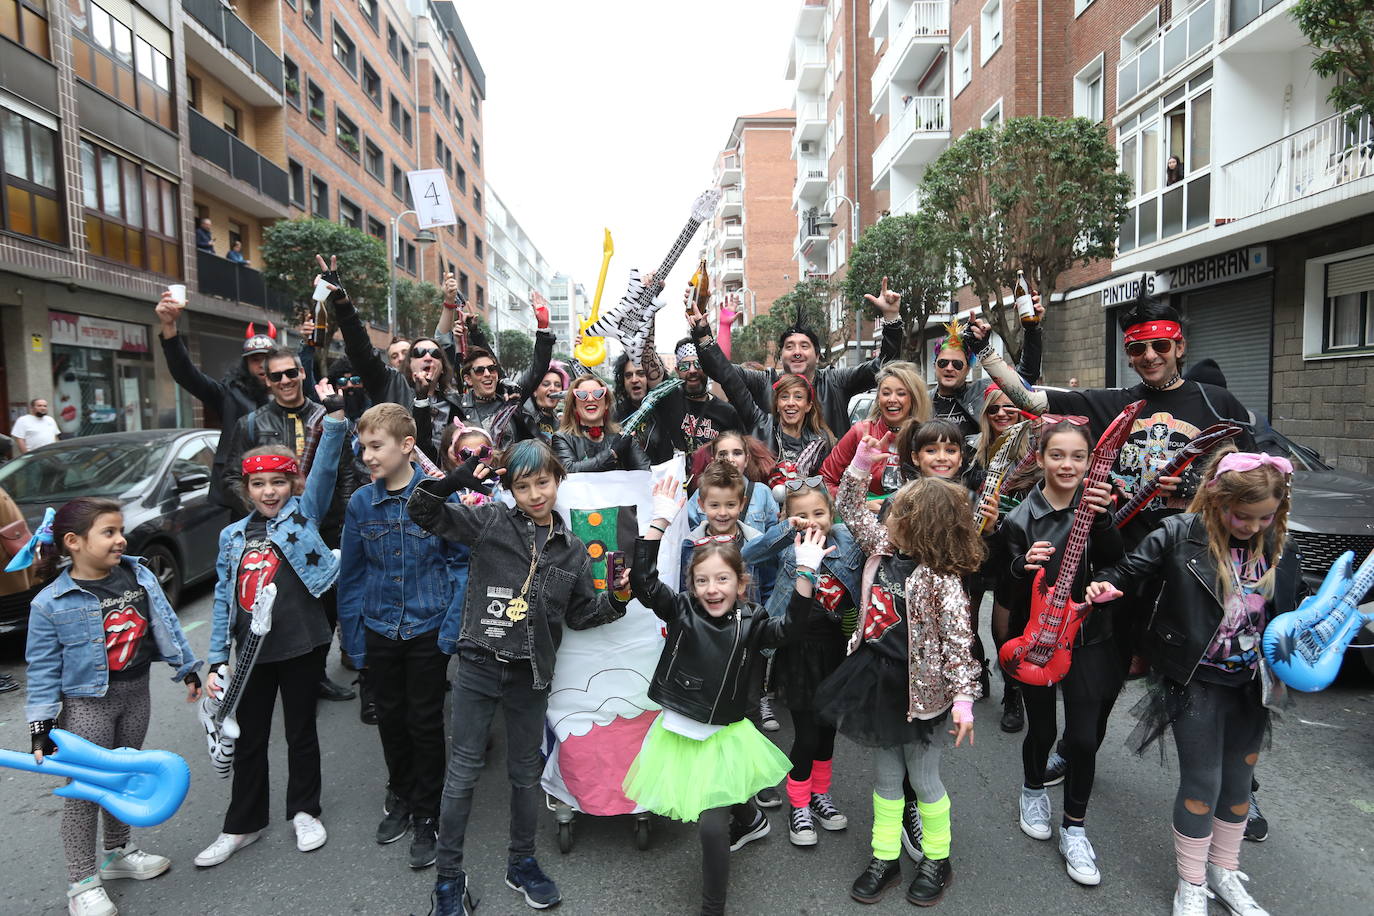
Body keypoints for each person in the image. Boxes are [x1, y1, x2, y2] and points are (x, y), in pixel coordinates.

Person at [406, 439, 629, 915]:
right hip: (479, 664)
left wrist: (621, 598)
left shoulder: (572, 552)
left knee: (525, 776)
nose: (533, 494)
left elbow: (584, 615)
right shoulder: (489, 523)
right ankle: (449, 879)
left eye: (542, 482)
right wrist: (453, 480)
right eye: (522, 486)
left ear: (558, 481)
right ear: (509, 488)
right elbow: (422, 512)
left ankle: (521, 862)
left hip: (531, 675)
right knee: (462, 775)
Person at [1085, 449, 1303, 916]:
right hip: (1194, 677)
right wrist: (1103, 588)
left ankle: (1224, 871)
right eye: (1242, 516)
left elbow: (1292, 613)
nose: (1252, 526)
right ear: (1215, 499)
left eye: (1264, 517)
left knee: (1239, 782)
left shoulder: (1280, 545)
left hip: (1254, 684)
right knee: (1202, 782)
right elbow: (1123, 572)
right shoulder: (1180, 533)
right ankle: (1191, 882)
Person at [624, 477, 822, 916]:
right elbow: (643, 582)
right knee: (707, 805)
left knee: (711, 829)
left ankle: (713, 907)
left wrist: (807, 573)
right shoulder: (680, 608)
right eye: (702, 581)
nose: (712, 589)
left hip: (722, 733)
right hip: (678, 728)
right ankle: (750, 817)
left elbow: (789, 630)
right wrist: (658, 521)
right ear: (692, 584)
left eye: (722, 580)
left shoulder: (751, 621)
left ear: (740, 582)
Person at [820, 440, 984, 907]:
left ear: (919, 525)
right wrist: (860, 464)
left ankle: (938, 857)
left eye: (893, 513)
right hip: (875, 682)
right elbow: (849, 507)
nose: (884, 517)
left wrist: (965, 701)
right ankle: (885, 856)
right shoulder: (884, 551)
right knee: (886, 778)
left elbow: (959, 644)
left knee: (925, 779)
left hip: (921, 695)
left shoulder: (941, 580)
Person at [23, 498, 202, 916]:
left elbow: (166, 623)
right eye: (109, 532)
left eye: (120, 530)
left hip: (137, 693)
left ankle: (118, 853)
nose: (121, 539)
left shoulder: (136, 574)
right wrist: (41, 726)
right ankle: (81, 882)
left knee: (123, 778)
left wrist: (187, 668)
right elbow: (43, 669)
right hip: (88, 707)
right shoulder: (50, 602)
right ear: (73, 542)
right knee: (85, 793)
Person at [195, 406, 348, 870]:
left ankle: (304, 811)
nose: (269, 492)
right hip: (251, 655)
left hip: (301, 644)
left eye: (278, 482)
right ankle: (243, 824)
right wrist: (217, 660)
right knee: (250, 737)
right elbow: (223, 598)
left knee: (300, 732)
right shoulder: (231, 537)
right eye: (259, 485)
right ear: (246, 491)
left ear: (292, 485)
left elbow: (322, 471)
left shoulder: (304, 515)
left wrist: (336, 423)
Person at [338, 404, 469, 869]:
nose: (367, 455)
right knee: (389, 717)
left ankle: (428, 812)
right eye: (363, 446)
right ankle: (402, 793)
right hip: (378, 627)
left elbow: (458, 566)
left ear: (407, 445)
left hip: (427, 626)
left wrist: (449, 631)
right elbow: (351, 576)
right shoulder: (360, 504)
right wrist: (353, 644)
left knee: (425, 721)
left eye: (377, 446)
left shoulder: (438, 498)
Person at [995, 419, 1124, 887]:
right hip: (1041, 640)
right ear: (1041, 458)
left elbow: (1117, 561)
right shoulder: (1019, 519)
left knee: (1084, 739)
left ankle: (1075, 828)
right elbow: (1005, 585)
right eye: (1057, 455)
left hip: (1090, 636)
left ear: (1090, 460)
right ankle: (1032, 789)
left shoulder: (1100, 503)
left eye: (1077, 456)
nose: (1067, 465)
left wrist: (1106, 522)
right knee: (1043, 728)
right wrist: (1019, 564)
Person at [222, 351, 358, 702]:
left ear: (302, 373)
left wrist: (343, 518)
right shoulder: (250, 424)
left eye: (290, 373)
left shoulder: (325, 413)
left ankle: (314, 675)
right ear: (266, 380)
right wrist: (263, 516)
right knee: (277, 603)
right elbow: (231, 476)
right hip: (270, 533)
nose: (285, 381)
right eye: (276, 375)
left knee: (322, 604)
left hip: (322, 525)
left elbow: (341, 468)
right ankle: (277, 672)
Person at [742, 480, 865, 848]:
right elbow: (751, 552)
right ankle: (799, 805)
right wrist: (786, 528)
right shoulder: (787, 546)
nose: (812, 522)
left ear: (832, 514)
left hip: (835, 650)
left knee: (827, 733)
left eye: (819, 514)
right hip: (796, 651)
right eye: (801, 514)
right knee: (807, 733)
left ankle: (820, 796)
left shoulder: (847, 543)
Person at [689, 279, 905, 438]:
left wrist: (891, 319)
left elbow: (885, 367)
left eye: (804, 346)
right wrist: (702, 333)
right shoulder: (764, 381)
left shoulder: (835, 381)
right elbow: (722, 371)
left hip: (829, 484)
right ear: (781, 355)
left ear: (818, 355)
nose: (797, 352)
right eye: (789, 347)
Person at [156, 293, 272, 511]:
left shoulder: (289, 397)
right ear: (246, 364)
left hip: (280, 493)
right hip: (239, 499)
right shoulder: (229, 395)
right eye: (256, 360)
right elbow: (187, 374)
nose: (262, 366)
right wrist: (169, 327)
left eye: (268, 359)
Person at [821, 362, 931, 503]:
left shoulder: (926, 436)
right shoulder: (860, 432)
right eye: (886, 393)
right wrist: (860, 504)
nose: (892, 400)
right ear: (878, 399)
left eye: (901, 393)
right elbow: (825, 481)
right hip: (865, 520)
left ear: (913, 399)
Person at [928, 310, 1042, 439]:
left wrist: (1031, 328)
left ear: (967, 369)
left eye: (957, 364)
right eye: (943, 363)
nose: (949, 368)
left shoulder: (982, 393)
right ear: (934, 365)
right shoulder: (921, 400)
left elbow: (1024, 378)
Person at [638, 339, 741, 464]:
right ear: (677, 370)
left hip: (713, 481)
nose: (692, 370)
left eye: (698, 364)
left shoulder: (727, 412)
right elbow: (651, 368)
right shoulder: (668, 399)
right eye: (684, 366)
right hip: (673, 481)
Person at [550, 376, 650, 472]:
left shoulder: (623, 437)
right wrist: (612, 453)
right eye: (582, 395)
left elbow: (646, 473)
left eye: (598, 394)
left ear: (606, 403)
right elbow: (567, 470)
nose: (590, 399)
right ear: (574, 406)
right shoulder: (562, 438)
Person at [687, 432, 778, 533]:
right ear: (713, 461)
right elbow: (688, 534)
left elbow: (774, 535)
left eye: (737, 453)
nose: (730, 459)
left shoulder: (762, 492)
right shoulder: (700, 493)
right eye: (722, 454)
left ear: (746, 459)